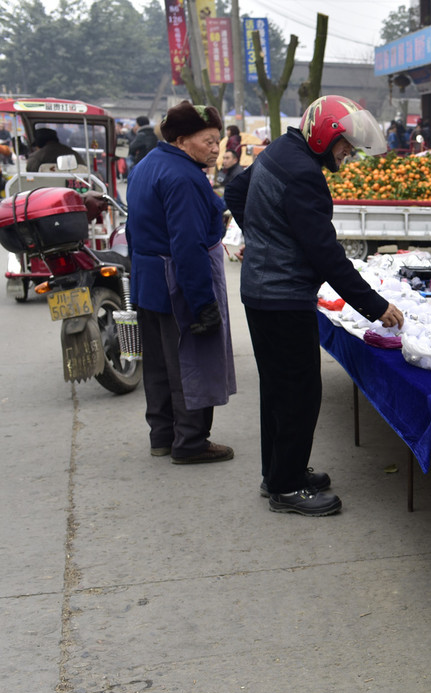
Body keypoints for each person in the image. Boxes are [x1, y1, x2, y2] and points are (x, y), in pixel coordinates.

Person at [224, 95, 405, 517]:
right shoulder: (304, 174)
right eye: (345, 146)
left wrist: (264, 237)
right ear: (323, 137)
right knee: (300, 391)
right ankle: (287, 488)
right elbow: (326, 254)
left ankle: (279, 472)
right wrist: (375, 307)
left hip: (263, 292)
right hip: (282, 298)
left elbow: (236, 190)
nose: (349, 154)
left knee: (278, 387)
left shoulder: (282, 151)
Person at [126, 101, 236, 465]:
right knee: (191, 362)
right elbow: (186, 245)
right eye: (208, 140)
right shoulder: (183, 177)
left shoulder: (146, 166)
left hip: (148, 282)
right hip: (178, 284)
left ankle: (162, 436)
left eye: (218, 141)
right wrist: (202, 302)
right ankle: (190, 442)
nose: (215, 148)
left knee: (158, 364)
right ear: (182, 139)